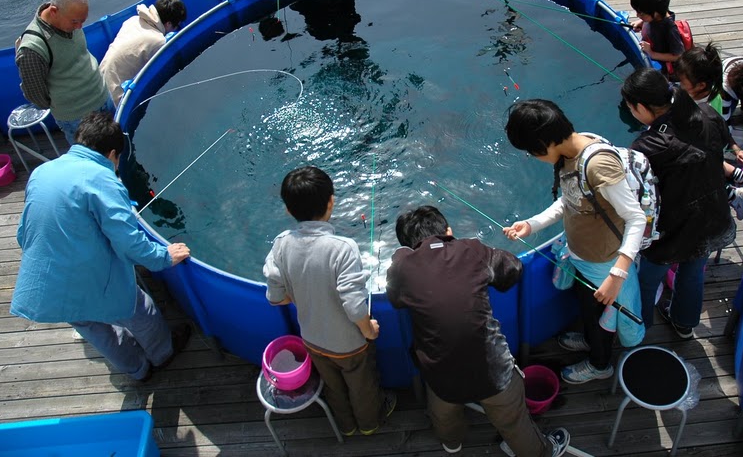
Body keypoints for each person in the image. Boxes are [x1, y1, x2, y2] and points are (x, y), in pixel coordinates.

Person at [10, 112, 192, 382]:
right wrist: (164, 256)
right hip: (91, 279)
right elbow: (129, 243)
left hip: (46, 283)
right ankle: (163, 354)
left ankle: (137, 370)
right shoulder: (103, 180)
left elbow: (23, 233)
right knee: (140, 310)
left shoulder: (42, 171)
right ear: (112, 154)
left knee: (96, 330)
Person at [387, 205, 571, 457]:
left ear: (409, 246)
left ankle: (452, 443)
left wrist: (402, 256)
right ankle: (540, 452)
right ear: (448, 231)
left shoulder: (402, 267)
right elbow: (513, 269)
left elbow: (395, 299)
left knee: (443, 412)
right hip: (493, 372)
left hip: (441, 375)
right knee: (513, 421)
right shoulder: (471, 249)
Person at [503, 100, 646, 384]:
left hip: (605, 264)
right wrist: (532, 224)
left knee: (602, 319)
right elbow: (570, 199)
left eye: (531, 151)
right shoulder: (570, 151)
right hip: (584, 257)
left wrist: (617, 275)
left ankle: (600, 364)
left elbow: (636, 218)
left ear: (543, 144)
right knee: (589, 310)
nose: (533, 156)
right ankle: (590, 339)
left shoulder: (598, 165)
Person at [263, 166, 396, 436]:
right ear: (331, 201)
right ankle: (369, 425)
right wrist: (368, 330)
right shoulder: (343, 248)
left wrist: (299, 295)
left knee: (333, 386)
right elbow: (354, 305)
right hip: (349, 345)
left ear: (288, 209)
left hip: (311, 339)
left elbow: (275, 297)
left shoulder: (281, 243)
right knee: (362, 387)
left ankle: (346, 427)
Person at [622, 68, 736, 337]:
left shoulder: (647, 147)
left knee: (646, 281)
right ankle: (684, 324)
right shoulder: (707, 114)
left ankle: (638, 330)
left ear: (641, 107)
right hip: (712, 216)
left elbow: (639, 196)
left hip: (672, 231)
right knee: (693, 272)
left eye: (631, 107)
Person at [15, 0, 113, 145]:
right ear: (54, 11)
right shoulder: (32, 50)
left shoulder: (70, 17)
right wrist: (65, 101)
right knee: (94, 155)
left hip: (102, 96)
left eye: (82, 21)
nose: (79, 27)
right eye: (75, 22)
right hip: (78, 118)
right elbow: (36, 95)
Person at [675, 44, 743, 220]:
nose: (679, 84)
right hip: (713, 146)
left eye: (683, 82)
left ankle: (733, 195)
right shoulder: (714, 94)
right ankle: (742, 177)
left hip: (704, 148)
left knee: (701, 178)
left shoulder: (700, 109)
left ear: (700, 85)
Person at [99, 0, 187, 104]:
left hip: (98, 82)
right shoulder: (158, 40)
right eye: (177, 26)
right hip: (115, 96)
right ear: (168, 24)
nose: (176, 29)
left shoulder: (133, 20)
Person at [630, 0, 685, 76]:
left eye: (641, 13)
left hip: (661, 68)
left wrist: (652, 54)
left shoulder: (669, 28)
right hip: (648, 47)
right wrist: (641, 22)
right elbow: (649, 20)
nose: (637, 15)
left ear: (655, 13)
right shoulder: (655, 15)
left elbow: (678, 56)